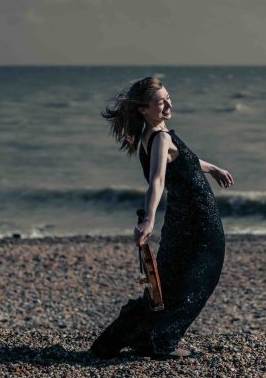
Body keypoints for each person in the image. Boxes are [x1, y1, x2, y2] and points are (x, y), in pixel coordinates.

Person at [90, 76, 234, 360]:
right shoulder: (160, 138)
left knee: (170, 282)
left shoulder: (156, 136)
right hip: (197, 220)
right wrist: (149, 219)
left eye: (168, 98)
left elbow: (184, 160)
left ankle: (121, 340)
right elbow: (157, 181)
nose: (168, 104)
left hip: (183, 219)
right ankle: (162, 341)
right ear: (144, 109)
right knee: (199, 279)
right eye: (160, 102)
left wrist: (213, 168)